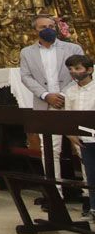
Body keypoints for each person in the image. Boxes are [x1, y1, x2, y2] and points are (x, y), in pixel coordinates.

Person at [19, 14, 84, 178]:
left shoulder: (73, 49)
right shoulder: (27, 52)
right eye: (43, 28)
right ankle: (55, 194)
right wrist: (46, 95)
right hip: (46, 104)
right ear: (35, 30)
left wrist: (63, 95)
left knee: (83, 147)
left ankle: (89, 194)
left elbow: (81, 72)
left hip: (72, 102)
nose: (48, 30)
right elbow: (26, 76)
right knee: (50, 150)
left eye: (51, 27)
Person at [63, 54, 94, 221]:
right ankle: (93, 208)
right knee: (90, 175)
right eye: (70, 69)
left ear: (89, 70)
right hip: (83, 140)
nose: (73, 72)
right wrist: (70, 133)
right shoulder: (70, 91)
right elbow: (69, 116)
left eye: (77, 69)